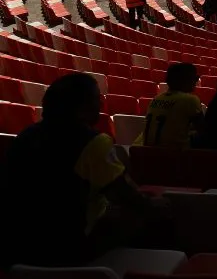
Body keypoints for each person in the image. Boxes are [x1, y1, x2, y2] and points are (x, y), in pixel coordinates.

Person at [1, 73, 161, 268]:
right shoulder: (93, 142)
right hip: (68, 248)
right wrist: (154, 204)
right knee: (150, 214)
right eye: (96, 99)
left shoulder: (25, 135)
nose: (100, 105)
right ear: (81, 107)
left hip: (19, 245)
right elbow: (124, 196)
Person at [138, 63, 203, 149]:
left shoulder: (156, 99)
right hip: (172, 155)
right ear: (186, 80)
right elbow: (203, 129)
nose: (196, 81)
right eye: (195, 78)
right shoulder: (190, 100)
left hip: (148, 152)